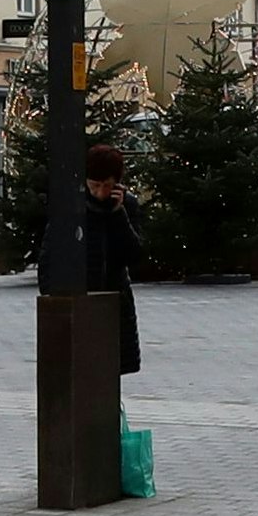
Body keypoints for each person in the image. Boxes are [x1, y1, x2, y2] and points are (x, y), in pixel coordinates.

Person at [82, 143, 144, 375]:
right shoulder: (73, 206)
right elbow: (50, 255)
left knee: (111, 372)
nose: (100, 193)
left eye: (106, 186)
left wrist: (118, 215)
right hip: (80, 299)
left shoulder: (126, 205)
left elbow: (134, 255)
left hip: (114, 300)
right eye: (94, 185)